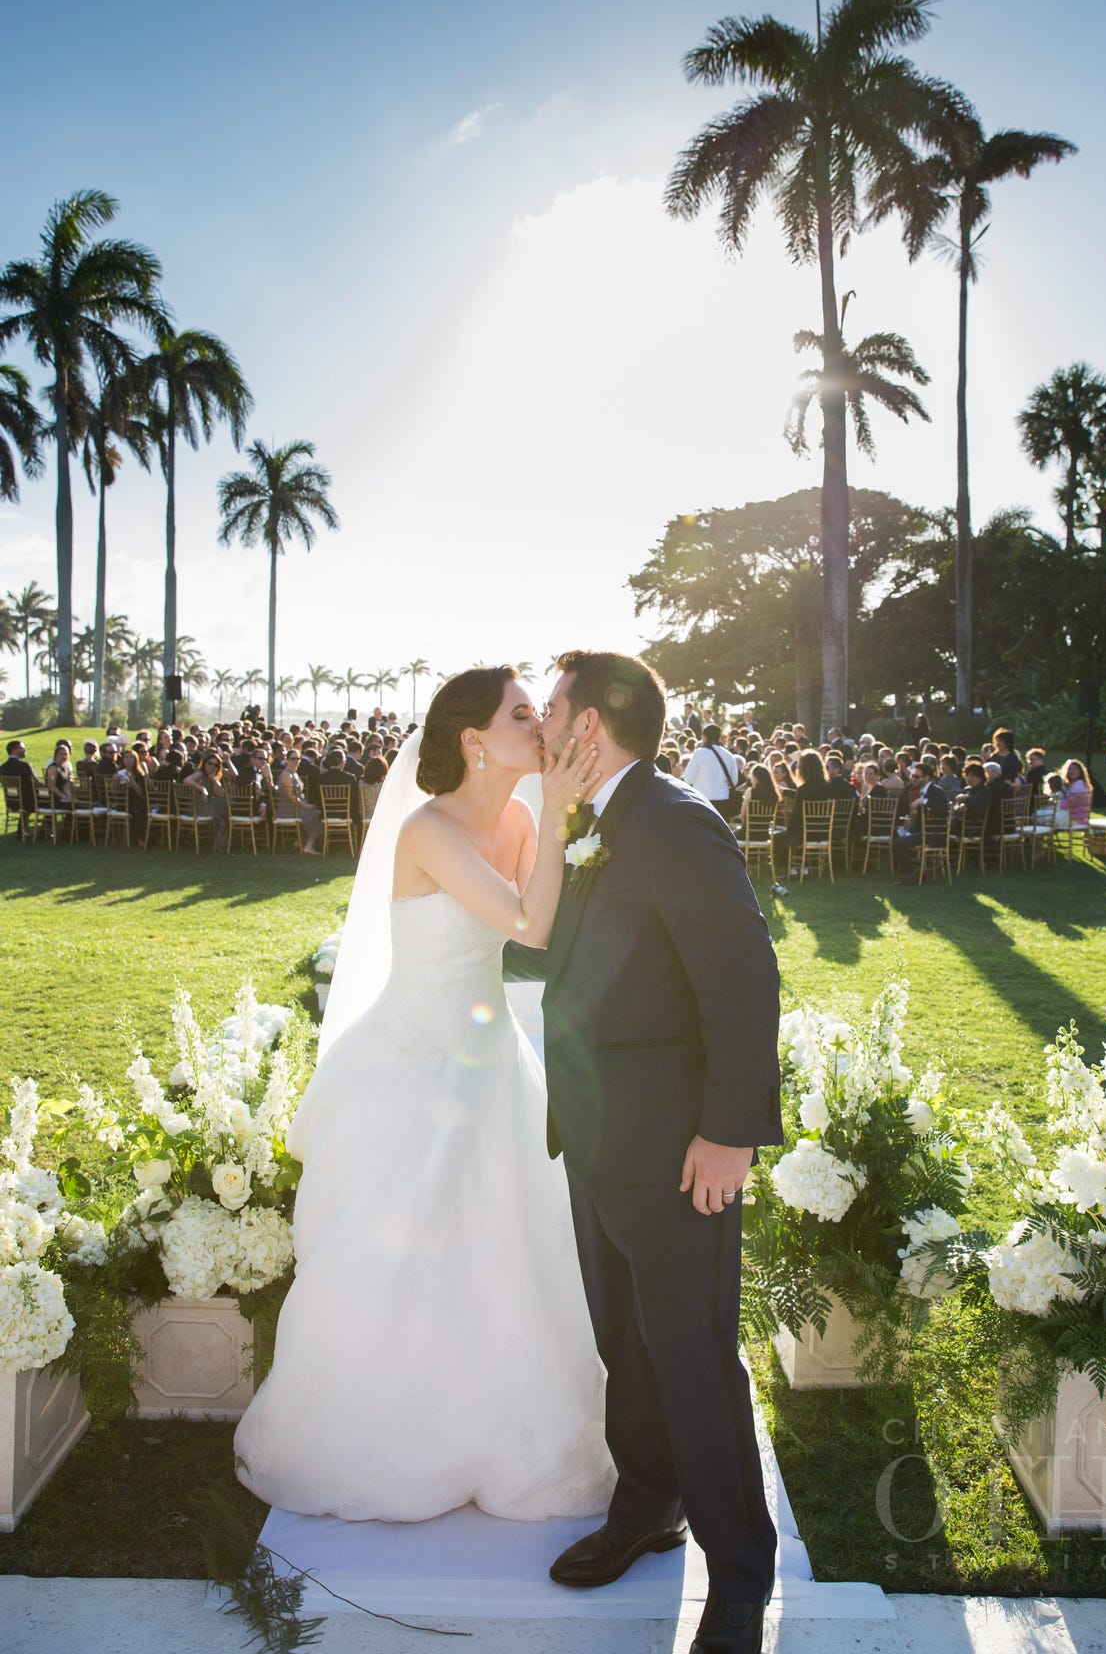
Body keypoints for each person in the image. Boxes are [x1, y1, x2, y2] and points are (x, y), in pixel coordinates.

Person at [234, 665, 613, 1524]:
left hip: (489, 1061)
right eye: (522, 715)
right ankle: (381, 1437)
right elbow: (530, 922)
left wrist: (554, 816)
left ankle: (505, 1428)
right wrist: (558, 813)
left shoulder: (516, 815)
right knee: (394, 1251)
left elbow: (544, 915)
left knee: (507, 1243)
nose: (538, 725)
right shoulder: (428, 829)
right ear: (474, 739)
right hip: (409, 1066)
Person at [522, 651, 780, 1654]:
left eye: (551, 711)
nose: (543, 726)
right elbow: (555, 954)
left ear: (592, 726)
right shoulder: (593, 822)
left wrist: (728, 1134)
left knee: (692, 1356)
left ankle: (741, 1577)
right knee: (625, 1345)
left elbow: (743, 978)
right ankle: (648, 1507)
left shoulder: (673, 821)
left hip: (679, 1154)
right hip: (596, 1140)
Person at [683, 723, 742, 823]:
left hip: (702, 799)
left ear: (704, 737)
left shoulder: (699, 753)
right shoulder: (728, 755)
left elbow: (688, 778)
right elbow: (734, 781)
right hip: (723, 801)